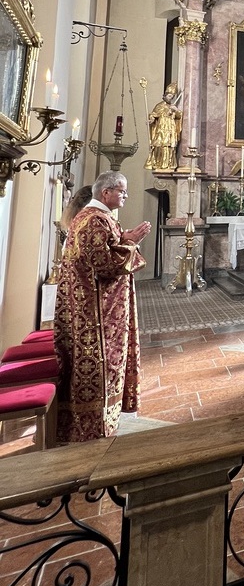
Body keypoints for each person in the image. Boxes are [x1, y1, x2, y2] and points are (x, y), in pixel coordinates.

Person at [53, 171, 151, 444]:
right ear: (106, 192)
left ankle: (102, 417)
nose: (125, 195)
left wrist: (125, 238)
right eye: (122, 191)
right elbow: (105, 264)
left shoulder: (93, 217)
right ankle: (93, 423)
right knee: (98, 362)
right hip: (95, 313)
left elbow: (103, 251)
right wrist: (131, 243)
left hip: (92, 306)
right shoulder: (95, 220)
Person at [145, 83, 182, 172]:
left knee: (170, 146)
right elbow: (154, 114)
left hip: (171, 129)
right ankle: (159, 164)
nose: (170, 98)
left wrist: (176, 110)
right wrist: (151, 120)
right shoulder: (160, 105)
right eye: (169, 96)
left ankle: (169, 164)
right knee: (160, 145)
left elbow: (179, 116)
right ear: (165, 95)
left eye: (172, 97)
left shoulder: (173, 106)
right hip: (161, 128)